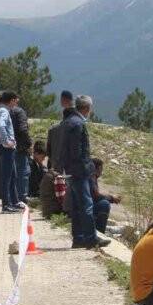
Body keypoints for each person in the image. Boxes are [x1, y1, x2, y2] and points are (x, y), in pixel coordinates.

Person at [62, 95, 109, 248]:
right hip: (79, 171)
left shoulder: (68, 121)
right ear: (87, 108)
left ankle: (78, 238)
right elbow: (77, 151)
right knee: (87, 205)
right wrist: (87, 167)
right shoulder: (78, 124)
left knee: (76, 206)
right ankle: (91, 238)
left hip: (69, 170)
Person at [0, 92, 23, 213]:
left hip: (4, 147)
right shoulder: (4, 111)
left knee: (12, 175)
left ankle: (14, 201)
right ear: (11, 100)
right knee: (6, 177)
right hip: (6, 148)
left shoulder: (0, 110)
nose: (17, 103)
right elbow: (1, 125)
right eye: (16, 100)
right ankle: (6, 204)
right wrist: (6, 141)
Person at [10, 99, 32, 204]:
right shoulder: (19, 112)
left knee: (12, 173)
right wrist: (28, 144)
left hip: (9, 146)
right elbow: (23, 129)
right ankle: (22, 197)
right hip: (20, 147)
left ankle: (12, 197)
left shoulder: (5, 111)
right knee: (23, 171)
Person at [90, 157, 121, 234]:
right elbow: (96, 196)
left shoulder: (91, 177)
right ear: (97, 169)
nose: (101, 172)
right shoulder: (90, 177)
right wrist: (112, 198)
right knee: (104, 204)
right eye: (101, 169)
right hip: (82, 209)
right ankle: (99, 233)